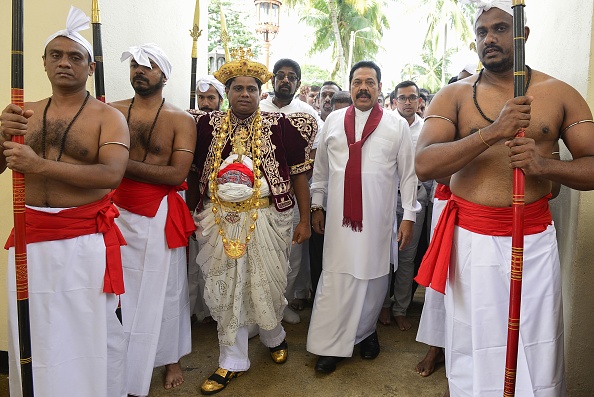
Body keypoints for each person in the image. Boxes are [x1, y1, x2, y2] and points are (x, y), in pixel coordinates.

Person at [414, 2, 594, 395]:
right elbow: (424, 165)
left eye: (500, 29)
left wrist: (546, 167)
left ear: (523, 36)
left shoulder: (559, 93)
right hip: (471, 243)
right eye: (482, 32)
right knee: (474, 340)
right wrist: (493, 132)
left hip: (533, 241)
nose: (489, 39)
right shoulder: (453, 96)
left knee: (538, 336)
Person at [0, 6, 129, 397]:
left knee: (82, 333)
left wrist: (38, 165)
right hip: (29, 236)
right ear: (42, 62)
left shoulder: (109, 118)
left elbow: (110, 175)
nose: (64, 63)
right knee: (32, 330)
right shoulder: (23, 113)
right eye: (55, 55)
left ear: (90, 68)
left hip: (82, 241)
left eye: (75, 57)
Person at [186, 48, 317, 395]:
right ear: (227, 92)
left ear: (262, 93)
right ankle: (232, 359)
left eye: (252, 89)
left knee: (268, 282)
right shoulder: (204, 126)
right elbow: (192, 171)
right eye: (238, 88)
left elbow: (301, 177)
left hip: (269, 217)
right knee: (227, 288)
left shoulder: (283, 126)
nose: (245, 94)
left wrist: (305, 219)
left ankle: (274, 335)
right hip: (218, 220)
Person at [307, 61, 419, 374]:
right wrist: (317, 204)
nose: (363, 87)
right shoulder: (332, 121)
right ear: (351, 85)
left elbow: (408, 175)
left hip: (377, 219)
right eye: (357, 82)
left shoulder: (396, 125)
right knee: (336, 277)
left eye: (370, 82)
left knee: (373, 280)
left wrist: (409, 215)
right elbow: (321, 171)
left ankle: (366, 333)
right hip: (339, 221)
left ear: (380, 88)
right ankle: (332, 346)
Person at [110, 43, 196, 396]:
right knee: (120, 291)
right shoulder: (109, 112)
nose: (139, 72)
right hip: (115, 212)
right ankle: (123, 355)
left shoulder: (180, 119)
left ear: (163, 75)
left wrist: (116, 163)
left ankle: (170, 357)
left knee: (167, 290)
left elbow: (176, 175)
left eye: (147, 66)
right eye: (134, 65)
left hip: (158, 214)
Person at [259, 58, 323, 325]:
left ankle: (281, 305)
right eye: (281, 75)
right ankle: (258, 311)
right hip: (260, 195)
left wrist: (295, 181)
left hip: (295, 194)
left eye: (291, 77)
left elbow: (316, 154)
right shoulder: (257, 108)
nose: (286, 80)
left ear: (298, 82)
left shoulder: (308, 114)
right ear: (273, 80)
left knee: (291, 254)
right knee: (260, 252)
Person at [379, 80, 427, 331]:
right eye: (403, 98)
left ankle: (400, 308)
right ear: (394, 101)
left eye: (412, 97)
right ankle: (383, 305)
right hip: (386, 199)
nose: (408, 102)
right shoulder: (384, 125)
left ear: (419, 101)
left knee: (407, 256)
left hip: (415, 200)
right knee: (385, 255)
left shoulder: (428, 129)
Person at [189, 75, 227, 326]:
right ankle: (193, 310)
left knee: (217, 260)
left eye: (210, 98)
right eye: (201, 98)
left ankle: (218, 313)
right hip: (193, 199)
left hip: (221, 204)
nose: (205, 103)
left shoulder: (227, 126)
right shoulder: (187, 121)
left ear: (221, 101)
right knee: (194, 260)